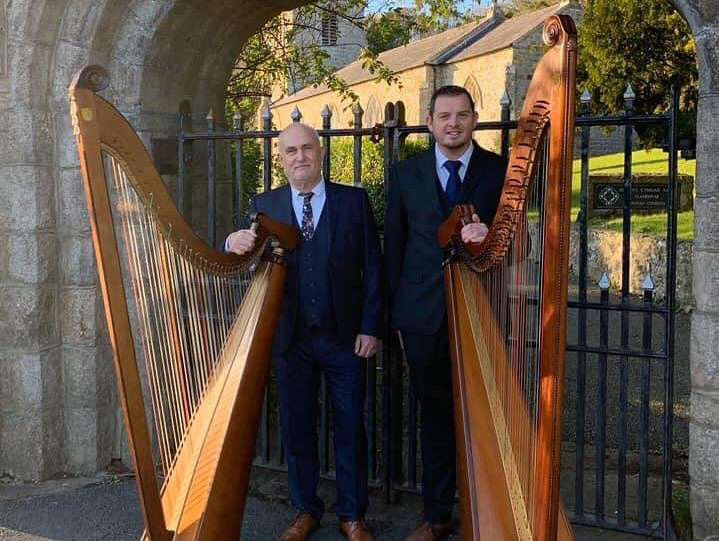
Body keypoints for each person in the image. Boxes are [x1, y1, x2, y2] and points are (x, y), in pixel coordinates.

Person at [226, 123, 382, 541]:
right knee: (297, 428)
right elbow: (244, 253)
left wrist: (370, 327)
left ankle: (352, 515)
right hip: (290, 339)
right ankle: (305, 510)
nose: (300, 157)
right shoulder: (265, 205)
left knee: (351, 426)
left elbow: (374, 269)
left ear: (320, 152)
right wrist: (230, 240)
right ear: (281, 159)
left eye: (307, 148)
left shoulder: (353, 202)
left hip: (344, 338)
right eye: (291, 151)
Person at [384, 85, 507, 541]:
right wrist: (393, 319)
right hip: (422, 316)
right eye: (444, 116)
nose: (453, 123)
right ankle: (437, 515)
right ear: (430, 123)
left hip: (480, 310)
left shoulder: (499, 170)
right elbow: (393, 247)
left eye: (461, 115)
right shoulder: (405, 173)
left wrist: (489, 238)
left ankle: (485, 513)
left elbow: (517, 245)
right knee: (434, 418)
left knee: (483, 416)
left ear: (474, 118)